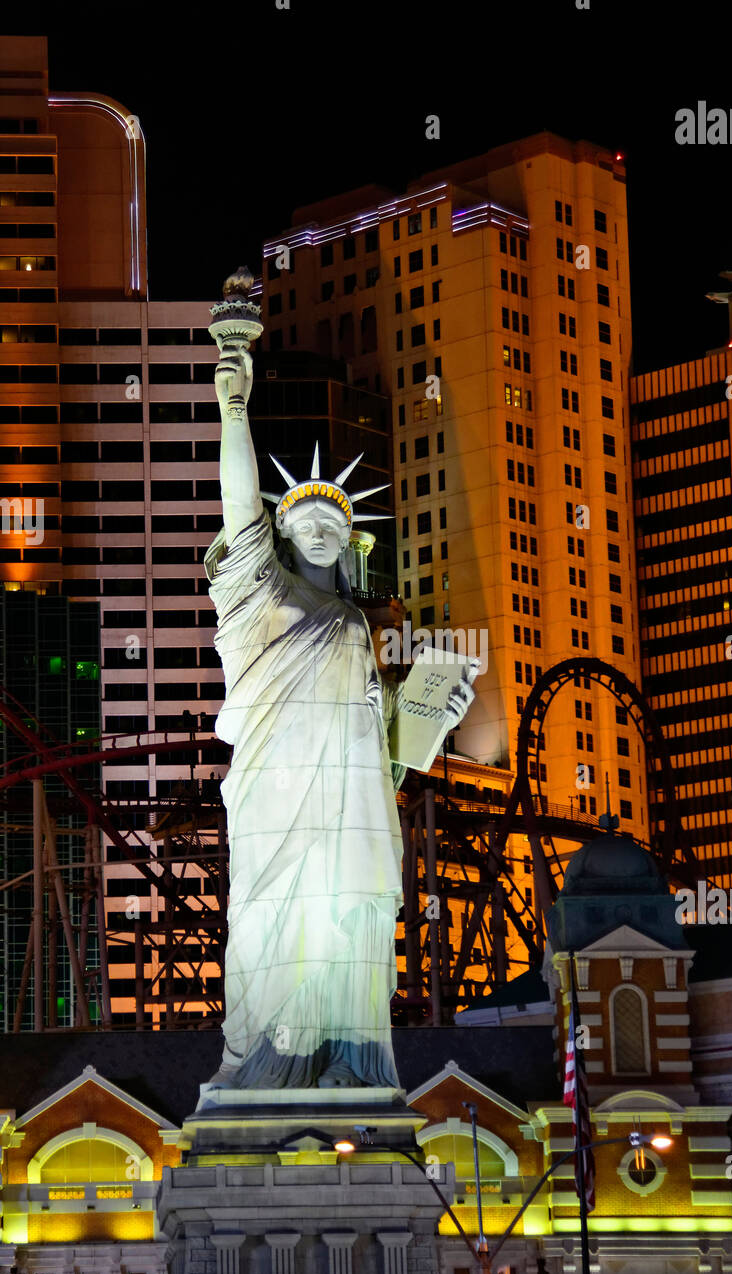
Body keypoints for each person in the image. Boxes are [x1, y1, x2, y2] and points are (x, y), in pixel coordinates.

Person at [201, 342, 474, 1091]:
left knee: (345, 921)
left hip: (350, 805)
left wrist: (431, 716)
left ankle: (349, 1065)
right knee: (264, 921)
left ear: (349, 539)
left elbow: (383, 742)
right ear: (280, 534)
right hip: (275, 791)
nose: (318, 527)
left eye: (333, 520)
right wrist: (234, 409)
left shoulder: (355, 623)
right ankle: (263, 1062)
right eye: (304, 519)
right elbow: (237, 502)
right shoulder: (260, 595)